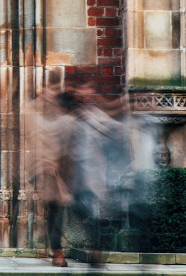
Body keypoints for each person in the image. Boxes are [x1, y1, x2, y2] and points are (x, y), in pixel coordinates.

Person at [41, 87, 126, 268]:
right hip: (79, 179)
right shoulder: (86, 120)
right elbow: (112, 130)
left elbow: (49, 147)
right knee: (86, 215)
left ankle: (59, 254)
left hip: (63, 177)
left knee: (56, 217)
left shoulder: (62, 122)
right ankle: (94, 251)